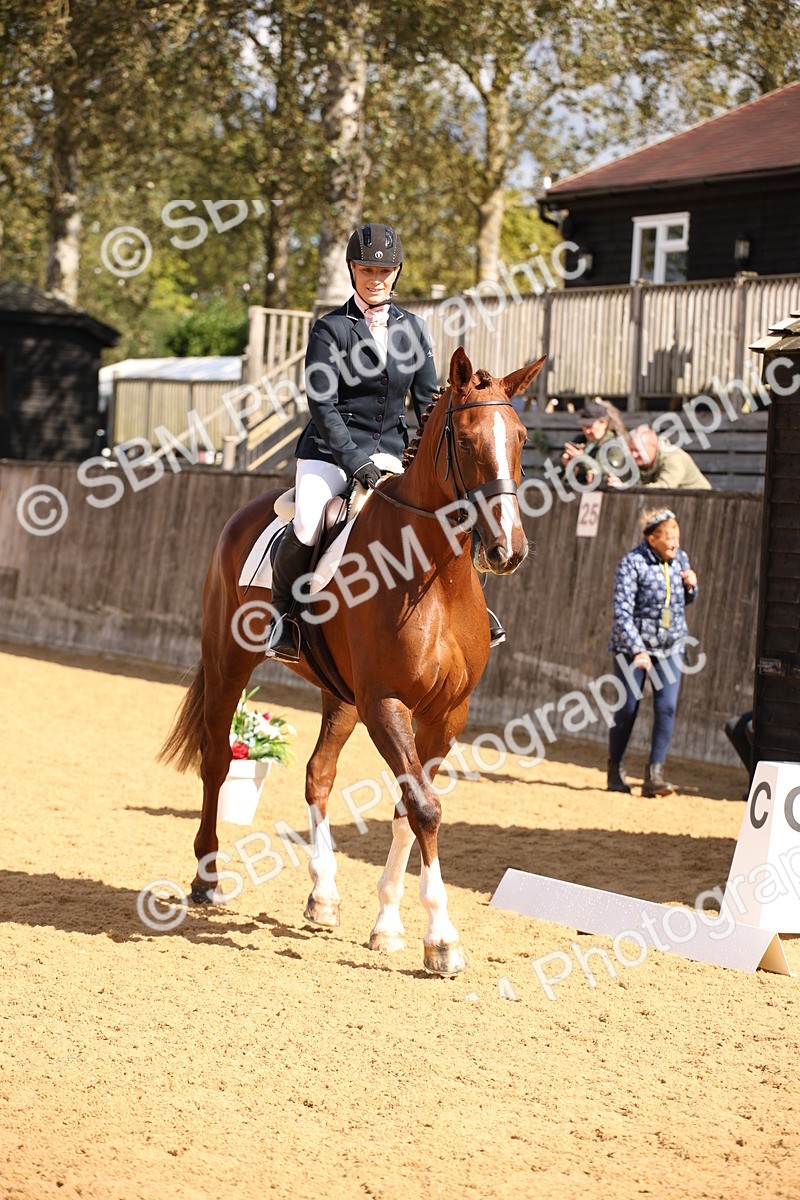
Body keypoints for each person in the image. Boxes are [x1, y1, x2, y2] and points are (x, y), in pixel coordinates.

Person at [265, 221, 506, 661]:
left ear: (396, 273)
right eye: (366, 271)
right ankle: (282, 616)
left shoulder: (412, 329)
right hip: (329, 453)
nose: (375, 280)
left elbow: (430, 403)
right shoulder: (330, 329)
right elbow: (323, 405)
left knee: (450, 508)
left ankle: (474, 607)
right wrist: (354, 460)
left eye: (384, 272)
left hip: (392, 454)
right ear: (352, 270)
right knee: (310, 519)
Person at [607, 508, 699, 797]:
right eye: (669, 538)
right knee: (628, 709)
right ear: (651, 539)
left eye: (677, 537)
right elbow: (621, 612)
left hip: (670, 647)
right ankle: (614, 769)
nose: (675, 543)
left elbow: (683, 601)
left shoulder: (680, 559)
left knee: (666, 708)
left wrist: (692, 587)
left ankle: (654, 775)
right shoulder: (631, 563)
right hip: (633, 649)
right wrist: (637, 651)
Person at [559, 398, 629, 487]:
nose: (586, 431)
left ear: (604, 423)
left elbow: (611, 470)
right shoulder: (580, 440)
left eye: (589, 426)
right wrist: (564, 463)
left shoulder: (615, 445)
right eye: (584, 426)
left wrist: (582, 459)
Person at [629, 425, 712, 489]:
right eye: (631, 450)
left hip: (702, 502)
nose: (633, 455)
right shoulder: (639, 460)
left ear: (653, 446)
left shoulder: (674, 458)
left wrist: (631, 490)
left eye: (637, 450)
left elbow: (664, 488)